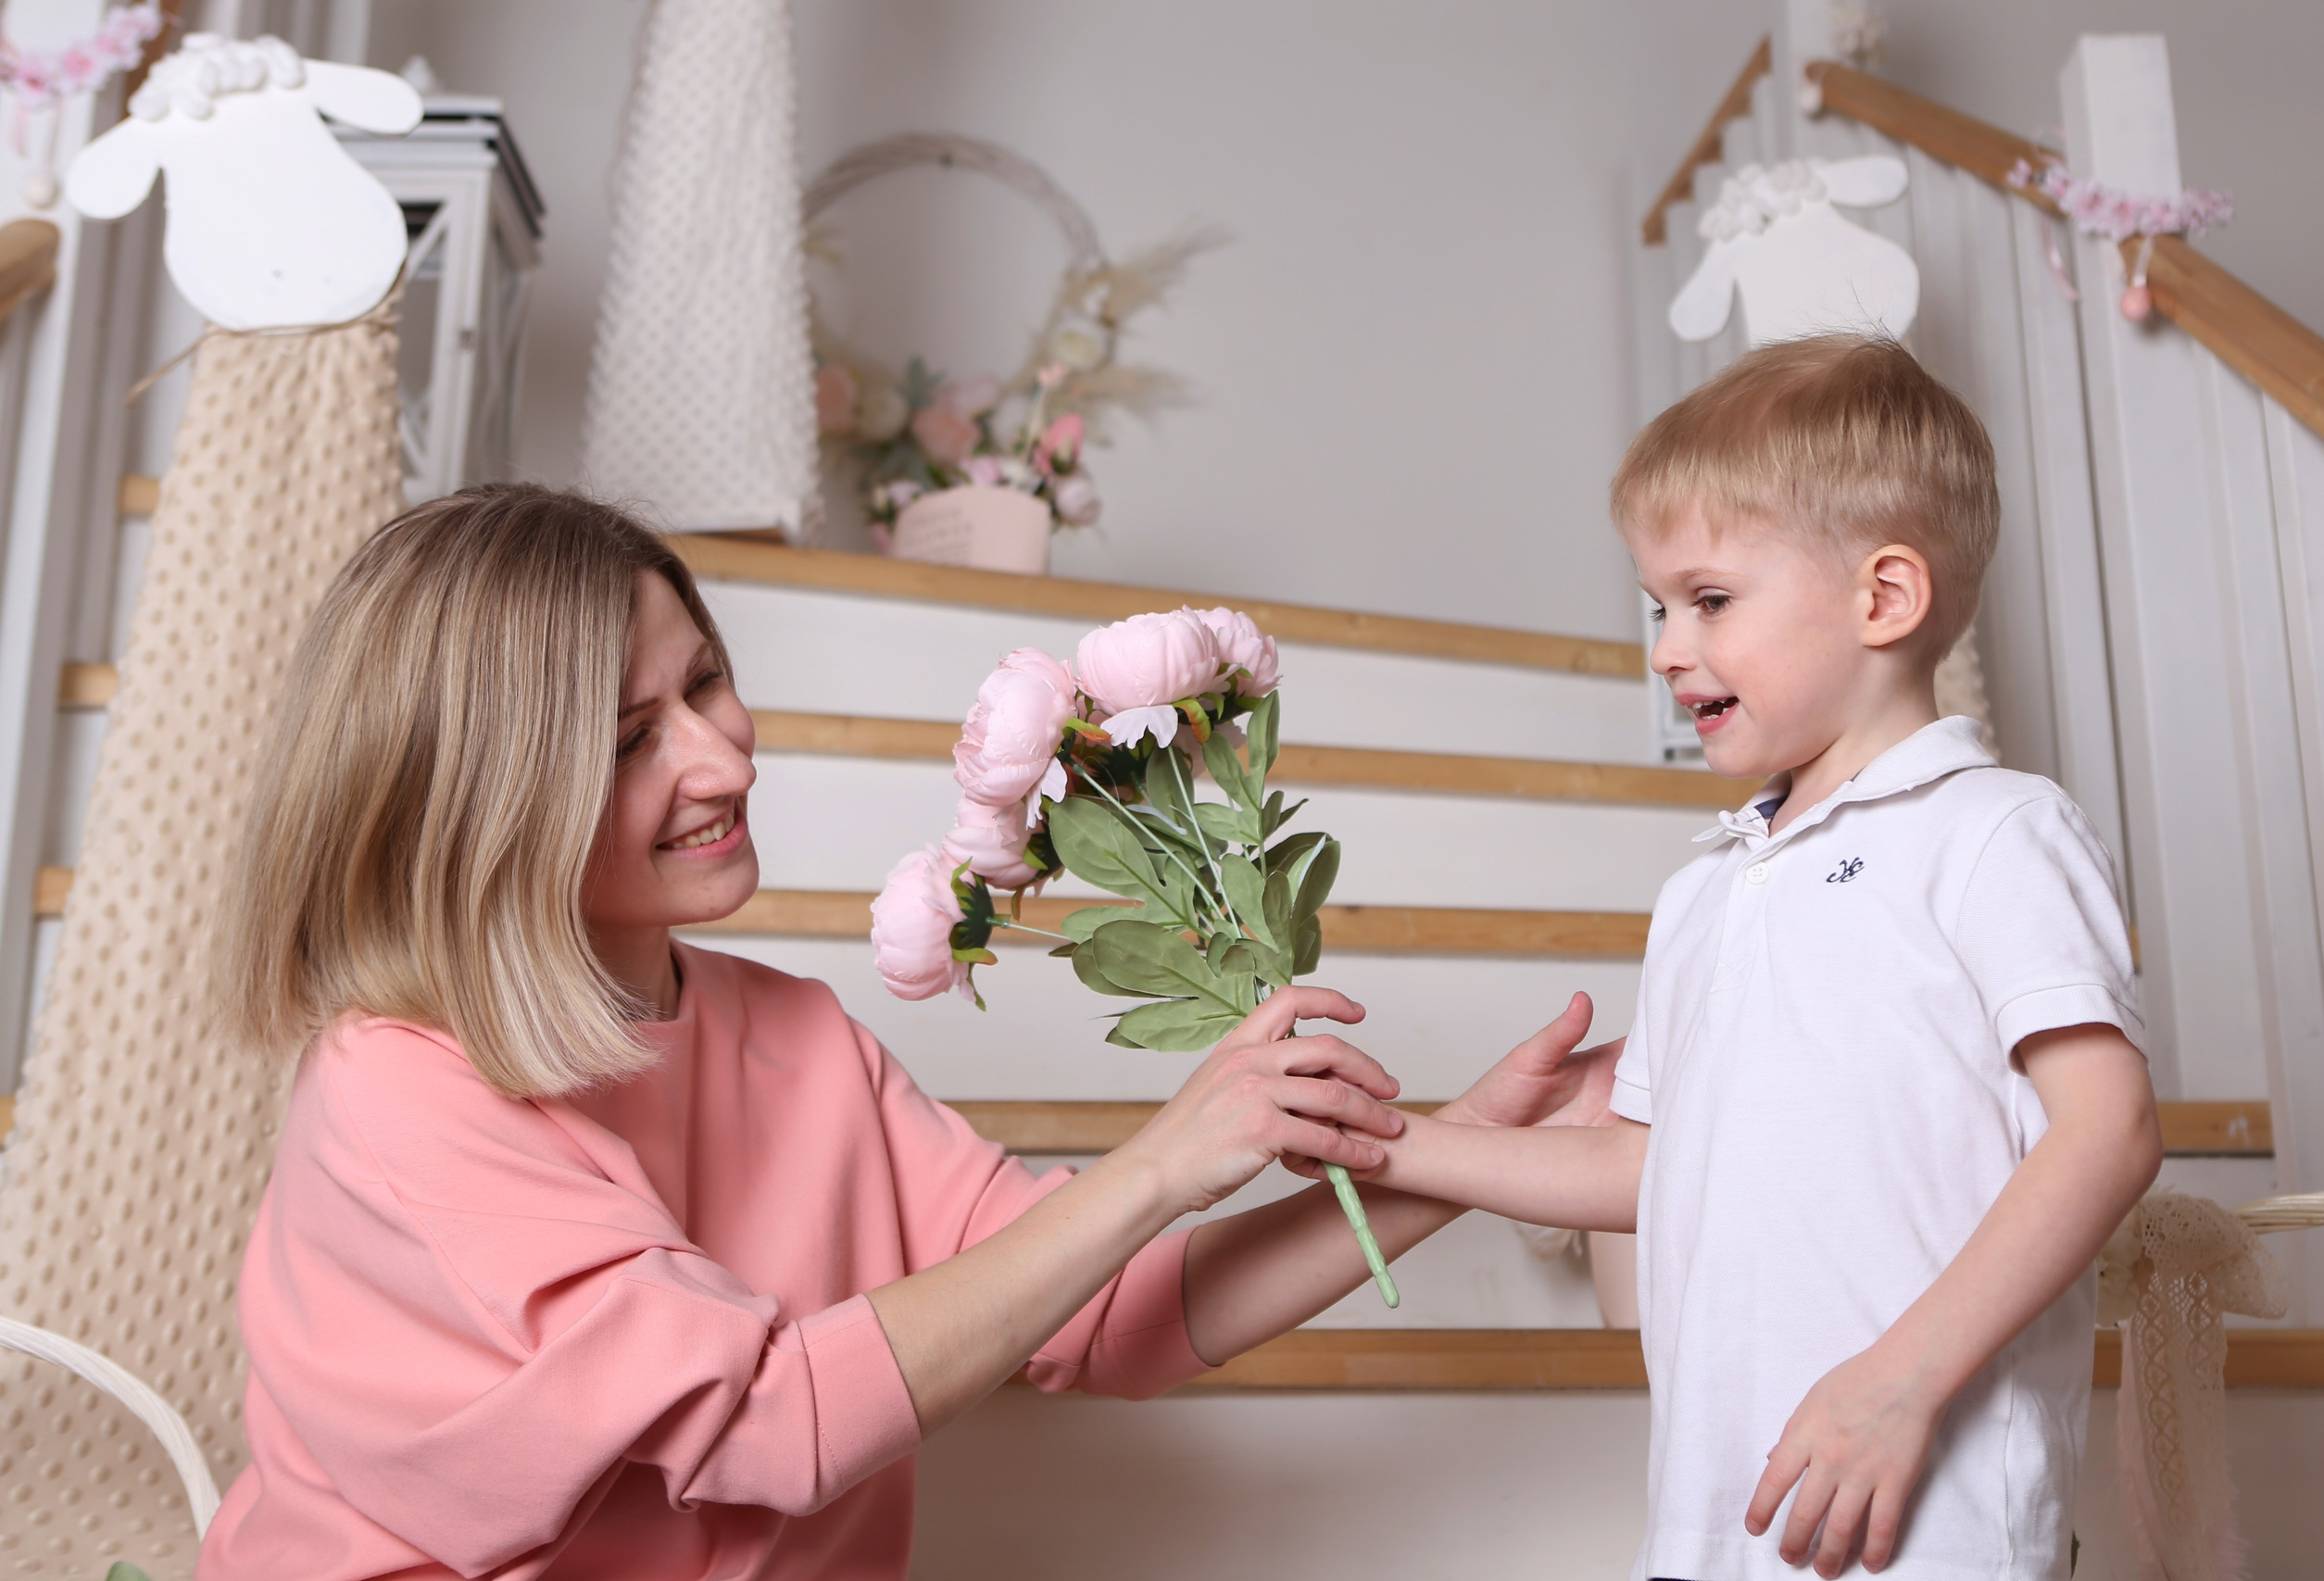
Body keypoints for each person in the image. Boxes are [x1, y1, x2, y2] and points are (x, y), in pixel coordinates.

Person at [195, 483, 1616, 1580]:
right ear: (478, 798)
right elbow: (759, 1426)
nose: (722, 754)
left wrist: (1459, 1152)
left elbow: (1109, 1322)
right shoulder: (401, 1091)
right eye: (631, 738)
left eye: (704, 682)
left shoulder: (790, 1037)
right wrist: (1156, 1164)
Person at [1314, 336, 2164, 1580]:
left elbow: (2110, 1132)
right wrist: (1383, 1140)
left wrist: (1896, 1386)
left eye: (1709, 601)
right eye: (1658, 607)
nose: (1665, 649)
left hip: (1926, 1511)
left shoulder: (1994, 833)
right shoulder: (1705, 888)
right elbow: (1650, 1167)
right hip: (1718, 1520)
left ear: (1884, 599)